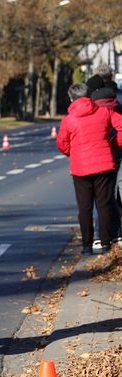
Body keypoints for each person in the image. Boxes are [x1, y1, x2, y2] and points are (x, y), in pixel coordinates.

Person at [56, 82, 122, 255]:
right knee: (104, 205)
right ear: (89, 96)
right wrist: (113, 144)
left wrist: (74, 152)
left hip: (80, 168)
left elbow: (62, 143)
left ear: (71, 98)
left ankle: (86, 246)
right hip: (104, 165)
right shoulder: (104, 112)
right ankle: (105, 243)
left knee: (84, 208)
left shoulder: (69, 120)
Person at [86, 64, 122, 245]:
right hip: (115, 152)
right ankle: (113, 233)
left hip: (94, 155)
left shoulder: (92, 104)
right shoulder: (117, 100)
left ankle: (99, 237)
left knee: (97, 198)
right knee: (112, 193)